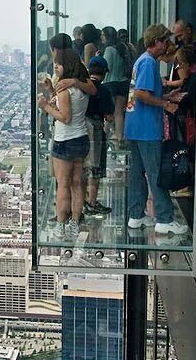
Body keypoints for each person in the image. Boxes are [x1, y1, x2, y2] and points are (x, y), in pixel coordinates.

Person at [124, 23, 189, 235]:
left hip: (135, 125)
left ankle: (136, 214)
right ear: (157, 42)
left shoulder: (141, 61)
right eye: (166, 41)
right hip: (147, 127)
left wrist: (167, 96)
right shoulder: (149, 63)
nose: (168, 45)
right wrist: (165, 104)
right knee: (155, 172)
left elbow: (144, 92)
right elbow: (142, 93)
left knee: (138, 173)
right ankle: (165, 218)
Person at [38, 48, 91, 238]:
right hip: (81, 139)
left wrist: (45, 107)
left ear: (65, 65)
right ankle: (75, 222)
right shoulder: (81, 87)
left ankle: (60, 225)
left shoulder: (64, 90)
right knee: (77, 183)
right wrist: (51, 92)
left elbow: (65, 117)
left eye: (58, 64)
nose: (55, 67)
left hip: (64, 141)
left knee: (63, 185)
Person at [84, 56, 114, 215]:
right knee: (95, 168)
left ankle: (81, 200)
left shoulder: (82, 87)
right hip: (95, 130)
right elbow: (109, 116)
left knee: (81, 167)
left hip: (79, 129)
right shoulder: (104, 90)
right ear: (105, 72)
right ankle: (92, 202)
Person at [172, 45, 196, 197]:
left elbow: (190, 98)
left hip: (191, 121)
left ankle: (189, 183)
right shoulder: (194, 76)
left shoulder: (194, 77)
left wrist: (178, 99)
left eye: (181, 64)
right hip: (191, 119)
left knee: (190, 153)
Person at [101, 26, 132, 146]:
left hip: (110, 82)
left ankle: (104, 135)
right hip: (123, 81)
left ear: (107, 36)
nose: (102, 38)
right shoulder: (122, 47)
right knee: (119, 111)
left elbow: (107, 67)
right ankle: (120, 136)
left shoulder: (109, 49)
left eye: (103, 35)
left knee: (108, 111)